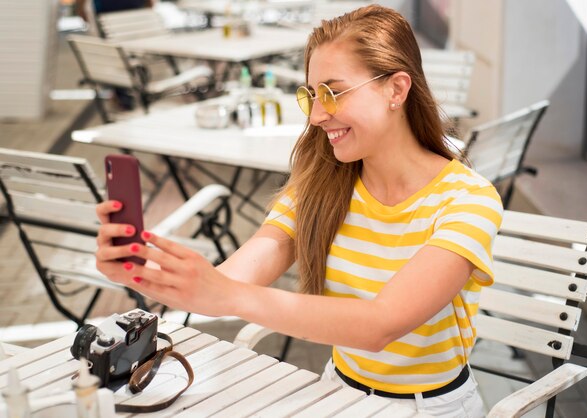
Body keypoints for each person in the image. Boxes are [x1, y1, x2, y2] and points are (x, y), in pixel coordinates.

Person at [95, 5, 503, 417]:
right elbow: (224, 286)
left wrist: (229, 295)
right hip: (338, 393)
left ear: (396, 90)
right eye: (310, 95)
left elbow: (380, 325)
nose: (317, 114)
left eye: (333, 92)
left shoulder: (468, 200)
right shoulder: (324, 183)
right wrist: (138, 270)